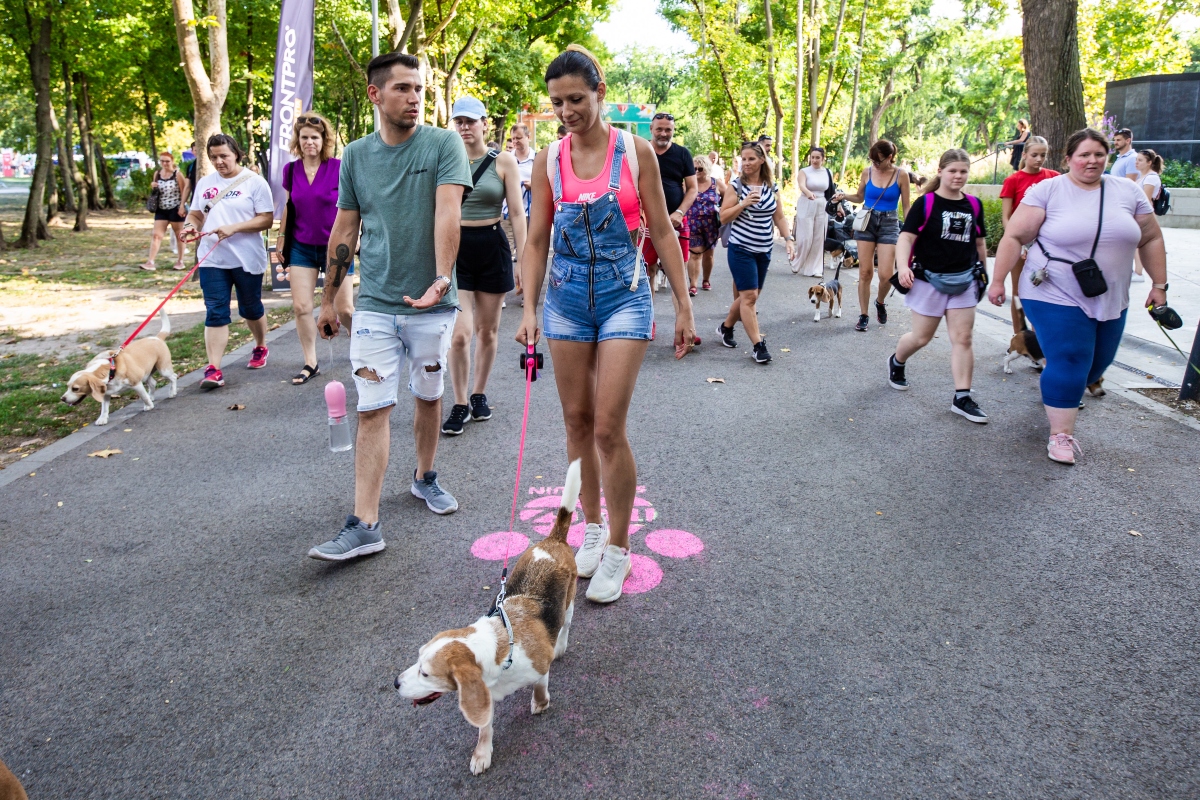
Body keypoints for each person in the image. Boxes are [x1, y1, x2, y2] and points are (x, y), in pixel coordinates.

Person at [516, 45, 696, 603]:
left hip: (625, 296)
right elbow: (538, 238)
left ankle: (618, 549)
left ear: (599, 93)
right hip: (567, 300)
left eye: (577, 99)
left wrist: (684, 307)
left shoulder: (635, 152)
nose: (567, 110)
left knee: (607, 428)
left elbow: (663, 232)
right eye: (558, 102)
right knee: (576, 421)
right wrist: (527, 308)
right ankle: (589, 532)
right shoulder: (550, 160)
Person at [307, 51, 474, 562]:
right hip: (376, 301)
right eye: (402, 88)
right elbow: (346, 228)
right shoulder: (356, 155)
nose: (415, 97)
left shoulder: (444, 143)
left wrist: (442, 279)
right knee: (372, 406)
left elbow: (449, 213)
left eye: (419, 88)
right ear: (376, 96)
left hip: (432, 301)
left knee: (428, 395)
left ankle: (425, 476)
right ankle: (365, 523)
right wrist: (330, 298)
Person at [989, 128, 1168, 465]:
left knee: (1097, 362)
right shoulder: (1048, 190)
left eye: (1099, 154)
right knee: (1071, 356)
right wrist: (998, 281)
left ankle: (1059, 387)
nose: (1092, 160)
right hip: (1052, 289)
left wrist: (1160, 284)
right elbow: (1014, 235)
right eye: (1083, 154)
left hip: (1111, 293)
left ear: (1108, 157)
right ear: (1068, 158)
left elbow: (1151, 238)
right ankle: (1061, 436)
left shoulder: (1127, 191)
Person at [441, 97, 528, 435]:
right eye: (459, 122)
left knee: (487, 331)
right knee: (460, 334)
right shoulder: (447, 159)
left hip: (492, 247)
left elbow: (517, 214)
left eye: (470, 121)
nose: (464, 127)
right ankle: (460, 401)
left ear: (484, 124)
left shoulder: (503, 161)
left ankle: (479, 394)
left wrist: (522, 259)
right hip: (456, 249)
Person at [889, 149, 989, 424]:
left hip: (964, 280)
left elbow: (980, 244)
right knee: (921, 338)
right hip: (928, 280)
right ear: (941, 171)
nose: (958, 176)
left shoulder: (974, 205)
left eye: (963, 171)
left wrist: (984, 275)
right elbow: (906, 239)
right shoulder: (927, 204)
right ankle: (897, 361)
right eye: (953, 170)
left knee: (963, 338)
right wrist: (904, 267)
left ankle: (962, 397)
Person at [179, 134, 274, 389]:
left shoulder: (255, 183)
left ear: (236, 154)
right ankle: (214, 369)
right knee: (216, 310)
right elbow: (196, 214)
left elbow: (266, 219)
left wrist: (235, 228)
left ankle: (260, 345)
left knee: (250, 307)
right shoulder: (205, 183)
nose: (219, 162)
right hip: (213, 257)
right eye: (213, 157)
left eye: (224, 156)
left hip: (246, 258)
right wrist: (189, 226)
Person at [271, 112, 354, 385]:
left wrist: (357, 236)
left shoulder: (339, 167)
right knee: (301, 306)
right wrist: (281, 236)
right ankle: (310, 361)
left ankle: (360, 349)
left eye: (314, 138)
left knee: (344, 310)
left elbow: (353, 206)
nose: (309, 142)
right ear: (298, 140)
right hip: (302, 247)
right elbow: (288, 206)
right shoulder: (290, 170)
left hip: (336, 248)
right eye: (304, 137)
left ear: (323, 140)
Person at [714, 140, 794, 363]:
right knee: (749, 298)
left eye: (751, 159)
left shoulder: (772, 186)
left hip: (764, 248)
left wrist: (788, 239)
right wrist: (743, 203)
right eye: (744, 159)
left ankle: (726, 327)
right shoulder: (737, 187)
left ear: (761, 160)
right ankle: (759, 346)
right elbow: (722, 216)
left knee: (748, 296)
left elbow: (779, 216)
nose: (746, 163)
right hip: (741, 248)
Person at [834, 139, 912, 331]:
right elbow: (860, 197)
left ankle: (880, 301)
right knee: (865, 272)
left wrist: (912, 230)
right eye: (872, 160)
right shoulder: (867, 172)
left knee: (886, 275)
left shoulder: (901, 175)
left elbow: (907, 206)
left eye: (879, 161)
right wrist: (844, 196)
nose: (875, 164)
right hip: (866, 221)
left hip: (889, 223)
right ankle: (863, 315)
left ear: (890, 157)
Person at [999, 135, 1058, 333]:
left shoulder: (1053, 177)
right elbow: (1006, 217)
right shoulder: (1013, 180)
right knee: (1019, 292)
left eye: (1043, 155)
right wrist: (1017, 242)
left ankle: (1039, 337)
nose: (1039, 159)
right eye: (1034, 155)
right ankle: (1020, 337)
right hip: (1021, 243)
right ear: (1024, 155)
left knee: (1041, 291)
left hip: (1046, 245)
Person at [644, 113, 697, 310]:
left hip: (676, 222)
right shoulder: (642, 150)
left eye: (668, 130)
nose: (664, 133)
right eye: (659, 129)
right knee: (647, 272)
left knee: (678, 275)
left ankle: (682, 329)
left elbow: (692, 188)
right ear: (651, 129)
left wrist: (680, 212)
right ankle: (648, 323)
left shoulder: (682, 154)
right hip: (646, 223)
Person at [141, 151, 191, 271]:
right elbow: (155, 193)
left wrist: (182, 206)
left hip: (175, 208)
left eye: (167, 161)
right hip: (161, 208)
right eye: (162, 161)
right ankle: (150, 261)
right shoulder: (157, 174)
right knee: (156, 235)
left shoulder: (177, 174)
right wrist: (153, 187)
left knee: (180, 235)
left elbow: (184, 190)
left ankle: (180, 261)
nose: (165, 163)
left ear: (172, 161)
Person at [502, 122, 536, 300]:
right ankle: (501, 295)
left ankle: (527, 294)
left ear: (528, 137)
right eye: (513, 138)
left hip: (530, 214)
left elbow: (549, 185)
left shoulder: (537, 159)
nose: (515, 142)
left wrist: (534, 186)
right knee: (504, 252)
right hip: (507, 213)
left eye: (519, 138)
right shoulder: (506, 159)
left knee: (528, 254)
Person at [789, 147, 831, 277]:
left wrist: (836, 206)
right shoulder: (804, 171)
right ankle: (797, 262)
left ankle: (814, 269)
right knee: (806, 237)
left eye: (818, 157)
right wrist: (808, 193)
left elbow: (830, 191)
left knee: (819, 238)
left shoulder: (827, 172)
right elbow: (802, 185)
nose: (814, 160)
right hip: (806, 203)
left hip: (821, 203)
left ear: (823, 159)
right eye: (812, 157)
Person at [685, 154, 724, 291]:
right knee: (695, 254)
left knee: (709, 254)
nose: (696, 171)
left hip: (711, 224)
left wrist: (723, 211)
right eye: (694, 168)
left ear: (706, 168)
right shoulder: (687, 183)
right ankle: (693, 284)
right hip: (692, 223)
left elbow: (729, 196)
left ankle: (706, 279)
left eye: (700, 169)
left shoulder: (716, 183)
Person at [1130, 148, 1164, 284]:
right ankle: (1136, 271)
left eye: (1140, 160)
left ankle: (1138, 272)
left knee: (1139, 243)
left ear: (1149, 162)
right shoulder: (1143, 177)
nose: (1137, 163)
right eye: (1136, 160)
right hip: (1137, 214)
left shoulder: (1151, 178)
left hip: (1143, 215)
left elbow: (1145, 199)